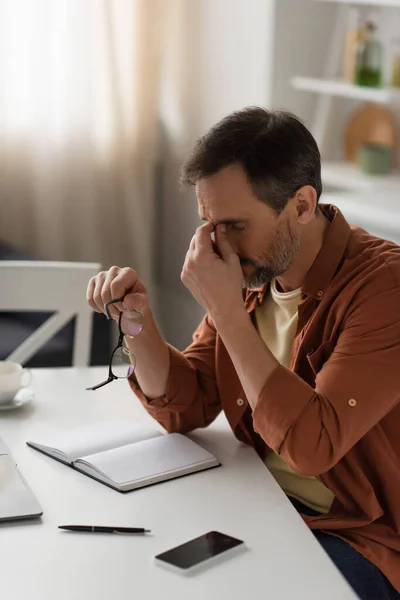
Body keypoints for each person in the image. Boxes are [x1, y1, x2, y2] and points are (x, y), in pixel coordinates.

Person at [86, 107, 400, 600]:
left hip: (355, 534)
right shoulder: (256, 277)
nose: (216, 245)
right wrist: (137, 321)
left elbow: (312, 446)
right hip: (255, 506)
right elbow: (189, 404)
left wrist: (227, 313)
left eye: (234, 225)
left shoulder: (384, 287)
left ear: (301, 204)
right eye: (207, 224)